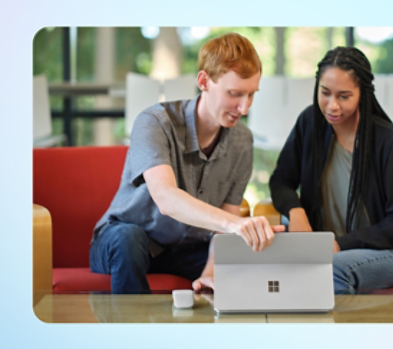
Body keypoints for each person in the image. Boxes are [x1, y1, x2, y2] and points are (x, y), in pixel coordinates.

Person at [90, 33, 283, 294]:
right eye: (235, 94)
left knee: (246, 266)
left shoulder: (242, 141)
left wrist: (210, 271)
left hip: (186, 249)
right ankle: (131, 333)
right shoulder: (154, 122)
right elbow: (167, 199)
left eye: (251, 95)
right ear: (204, 81)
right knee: (128, 239)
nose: (244, 108)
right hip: (125, 240)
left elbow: (221, 229)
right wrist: (233, 223)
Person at [269, 46, 393, 294]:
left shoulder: (392, 143)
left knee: (330, 273)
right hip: (334, 248)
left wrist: (340, 244)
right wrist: (295, 211)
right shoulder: (310, 123)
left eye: (344, 96)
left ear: (363, 93)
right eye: (325, 93)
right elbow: (280, 181)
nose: (332, 106)